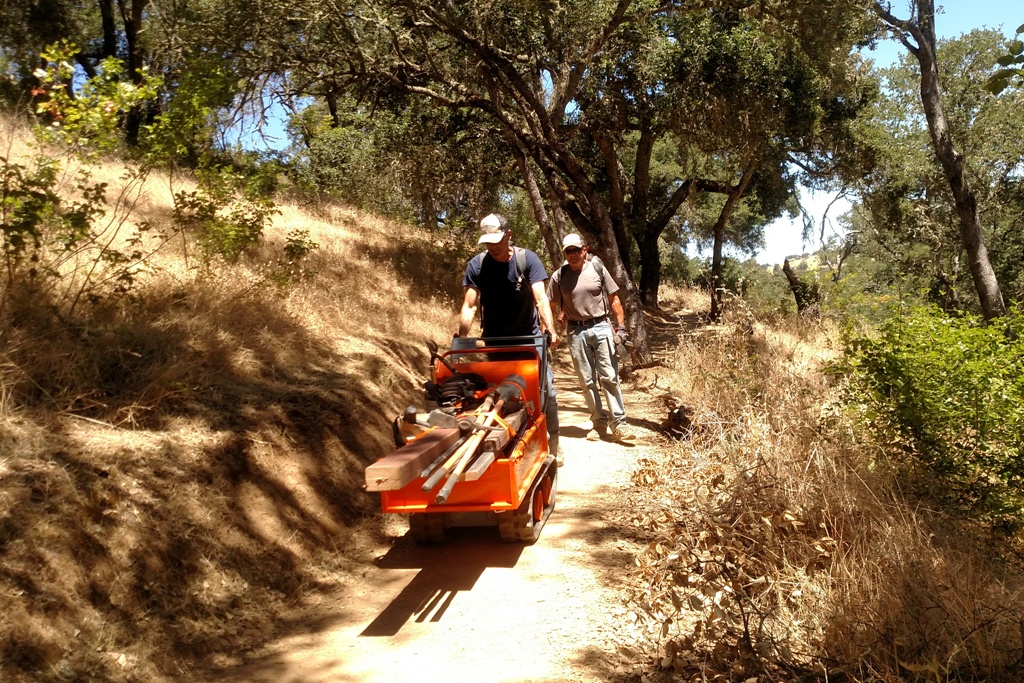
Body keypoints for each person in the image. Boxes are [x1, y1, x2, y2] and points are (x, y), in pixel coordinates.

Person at [457, 213, 563, 463]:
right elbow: (470, 306)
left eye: (497, 240)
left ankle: (554, 443)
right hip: (496, 344)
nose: (493, 247)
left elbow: (540, 298)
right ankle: (510, 444)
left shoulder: (528, 260)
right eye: (488, 242)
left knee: (546, 393)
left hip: (529, 340)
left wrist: (551, 329)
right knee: (497, 394)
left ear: (509, 235)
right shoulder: (477, 265)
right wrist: (461, 340)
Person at [548, 233, 635, 443]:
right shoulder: (559, 276)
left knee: (609, 376)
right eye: (569, 251)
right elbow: (550, 303)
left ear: (584, 250)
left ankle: (620, 424)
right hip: (576, 332)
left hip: (602, 327)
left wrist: (621, 327)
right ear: (565, 253)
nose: (573, 255)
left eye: (577, 250)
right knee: (586, 381)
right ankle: (598, 424)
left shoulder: (597, 268)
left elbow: (614, 299)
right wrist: (554, 322)